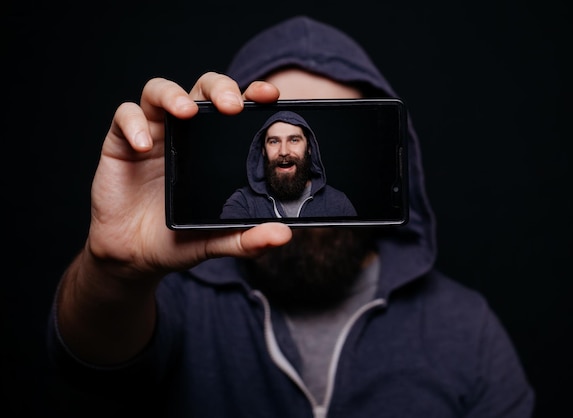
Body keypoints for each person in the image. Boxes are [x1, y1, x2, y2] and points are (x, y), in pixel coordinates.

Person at [47, 15, 535, 418]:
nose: (286, 150)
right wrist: (113, 272)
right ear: (261, 150)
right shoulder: (181, 294)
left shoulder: (465, 327)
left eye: (300, 133)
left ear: (314, 148)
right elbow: (85, 363)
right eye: (274, 136)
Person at [220, 110, 358, 219]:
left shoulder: (338, 204)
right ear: (263, 150)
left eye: (294, 140)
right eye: (274, 141)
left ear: (309, 148)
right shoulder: (243, 203)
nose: (284, 151)